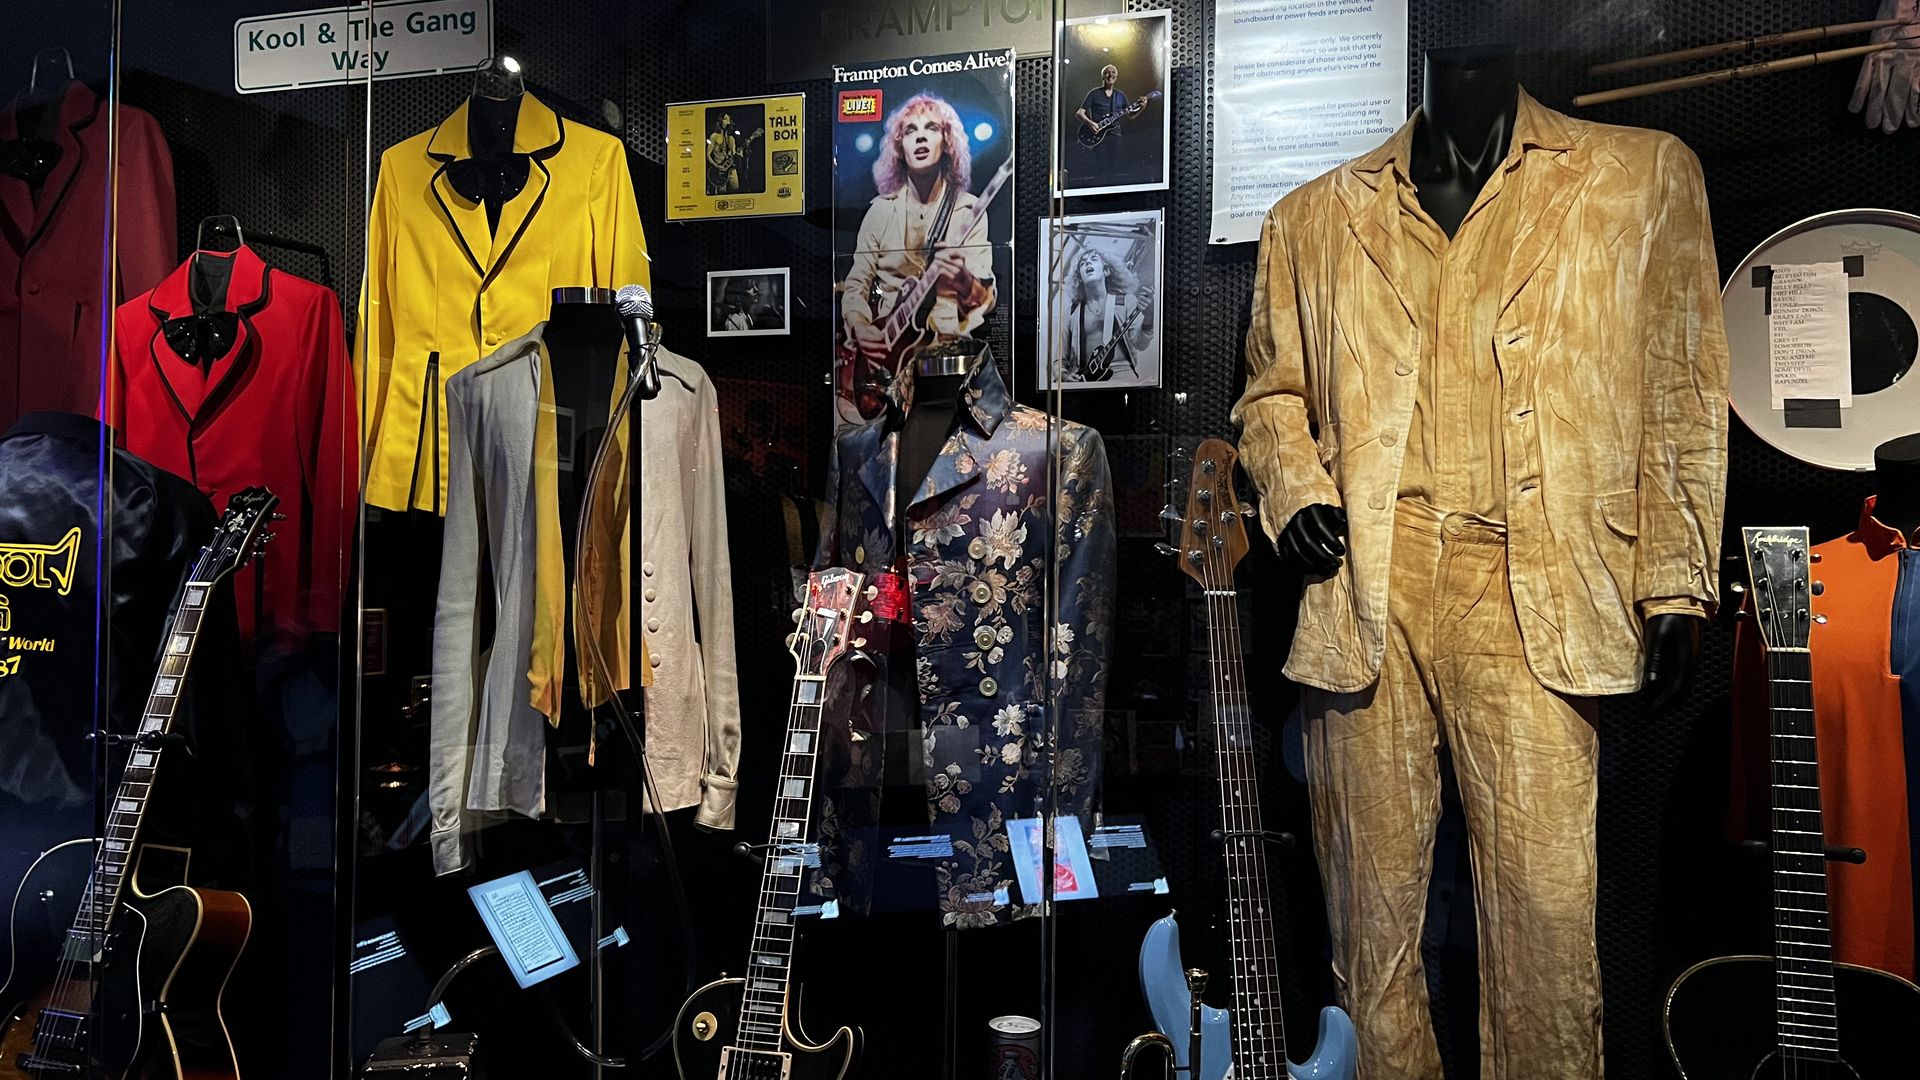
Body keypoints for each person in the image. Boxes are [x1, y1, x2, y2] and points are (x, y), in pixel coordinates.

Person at [838, 92, 996, 419]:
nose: (920, 136)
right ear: (900, 147)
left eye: (932, 128)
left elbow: (986, 300)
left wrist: (965, 282)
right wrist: (859, 326)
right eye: (910, 130)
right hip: (882, 364)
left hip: (946, 367)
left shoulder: (968, 210)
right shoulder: (880, 212)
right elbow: (855, 286)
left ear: (947, 143)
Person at [1060, 247, 1153, 382]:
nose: (1087, 263)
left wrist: (1148, 319)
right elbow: (1060, 358)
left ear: (1106, 271)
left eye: (1094, 259)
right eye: (1083, 263)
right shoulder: (1071, 313)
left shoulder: (1126, 301)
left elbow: (1141, 344)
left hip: (1123, 376)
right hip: (1084, 382)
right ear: (1079, 277)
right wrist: (1062, 374)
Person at [1073, 64, 1145, 185]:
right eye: (1107, 72)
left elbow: (1130, 115)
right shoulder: (1094, 93)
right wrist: (1090, 123)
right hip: (1097, 136)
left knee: (1115, 167)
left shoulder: (1120, 95)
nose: (1110, 74)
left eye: (1113, 72)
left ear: (1116, 76)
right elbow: (1079, 113)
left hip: (1115, 135)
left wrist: (1142, 108)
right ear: (1103, 76)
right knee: (1101, 167)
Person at [706, 112, 741, 194]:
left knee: (736, 188)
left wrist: (739, 154)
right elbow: (708, 154)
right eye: (725, 119)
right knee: (722, 192)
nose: (727, 122)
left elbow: (734, 153)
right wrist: (716, 165)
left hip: (730, 168)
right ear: (720, 121)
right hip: (719, 169)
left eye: (729, 120)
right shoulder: (714, 136)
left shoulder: (731, 138)